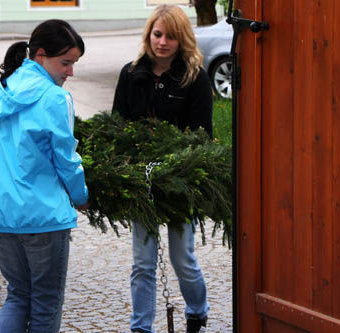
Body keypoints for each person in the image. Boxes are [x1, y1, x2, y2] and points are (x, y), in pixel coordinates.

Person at [0, 19, 89, 333]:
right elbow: (66, 159)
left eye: (74, 64)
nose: (71, 72)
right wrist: (80, 197)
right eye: (66, 63)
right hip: (43, 219)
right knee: (45, 303)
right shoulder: (55, 98)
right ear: (40, 54)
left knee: (18, 296)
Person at [112, 5, 212, 333]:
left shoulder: (194, 78)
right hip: (142, 183)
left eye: (170, 36)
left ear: (181, 39)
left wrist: (178, 166)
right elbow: (117, 127)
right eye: (157, 34)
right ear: (148, 35)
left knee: (182, 259)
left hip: (180, 183)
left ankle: (197, 310)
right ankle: (141, 327)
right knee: (142, 264)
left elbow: (202, 136)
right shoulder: (130, 75)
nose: (163, 42)